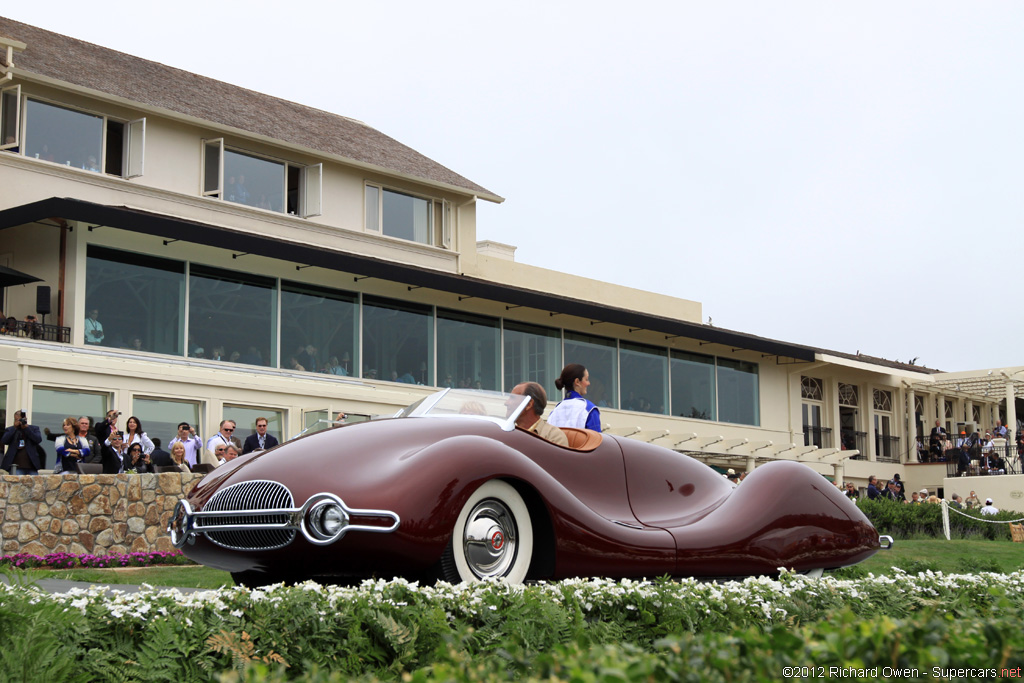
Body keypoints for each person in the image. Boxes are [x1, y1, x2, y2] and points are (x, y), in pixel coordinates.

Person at [509, 382, 569, 447]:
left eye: (513, 398)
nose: (506, 403)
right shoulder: (507, 433)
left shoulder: (554, 436)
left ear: (529, 404)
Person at [547, 363, 601, 431]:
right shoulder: (589, 409)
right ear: (577, 381)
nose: (588, 383)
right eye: (586, 379)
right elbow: (597, 440)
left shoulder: (554, 412)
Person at [1, 410, 44, 475]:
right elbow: (4, 440)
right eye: (17, 419)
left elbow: (38, 439)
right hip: (15, 467)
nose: (19, 421)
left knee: (34, 484)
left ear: (25, 419)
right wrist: (14, 427)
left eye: (20, 419)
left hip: (31, 467)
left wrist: (26, 428)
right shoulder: (10, 429)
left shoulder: (34, 428)